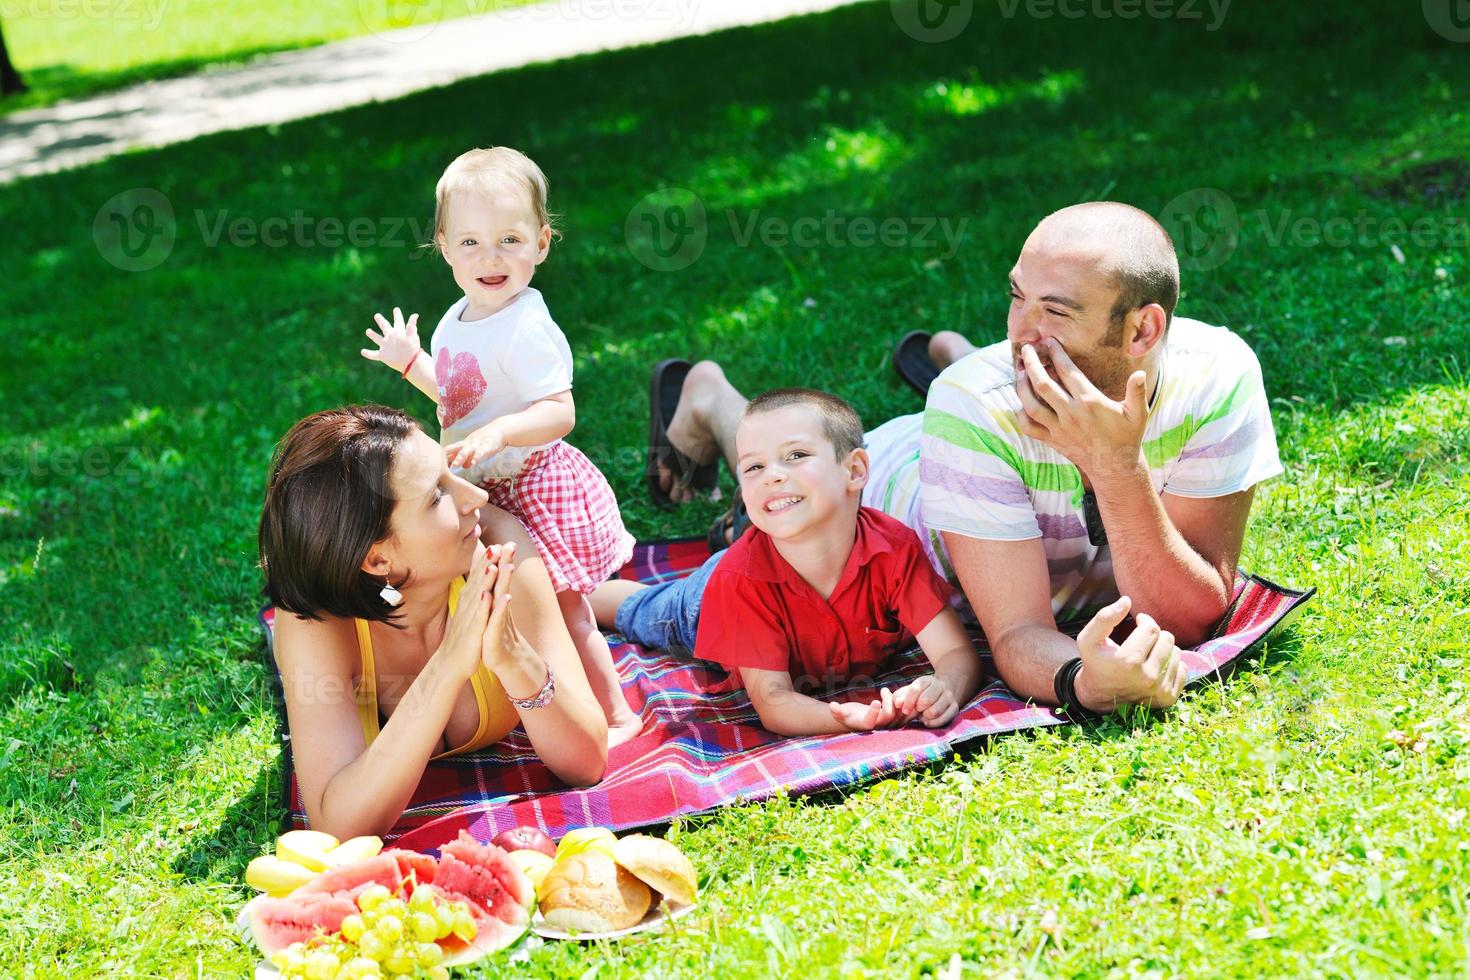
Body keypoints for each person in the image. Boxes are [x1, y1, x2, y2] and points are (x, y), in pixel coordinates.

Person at [646, 202, 1283, 716]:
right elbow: (1014, 636)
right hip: (868, 497)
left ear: (1143, 332)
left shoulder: (1218, 377)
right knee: (773, 488)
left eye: (1054, 312)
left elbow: (1191, 616)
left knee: (978, 398)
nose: (1019, 335)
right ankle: (713, 400)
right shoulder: (974, 407)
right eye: (1016, 298)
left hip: (969, 441)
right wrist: (1086, 683)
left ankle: (951, 356)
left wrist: (1116, 467)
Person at [359, 146, 640, 746]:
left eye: (510, 240)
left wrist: (501, 433)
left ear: (541, 243)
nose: (491, 258)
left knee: (563, 611)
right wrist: (412, 363)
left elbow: (559, 411)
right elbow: (460, 397)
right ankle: (519, 698)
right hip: (482, 486)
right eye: (471, 244)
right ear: (443, 246)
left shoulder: (528, 327)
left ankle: (614, 715)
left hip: (531, 482)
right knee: (498, 603)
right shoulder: (457, 318)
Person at [258, 405, 609, 839]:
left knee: (584, 598)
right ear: (376, 558)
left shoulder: (499, 545)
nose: (475, 497)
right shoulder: (316, 621)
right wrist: (448, 665)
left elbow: (589, 761)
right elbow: (337, 823)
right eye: (437, 495)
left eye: (449, 474)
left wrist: (513, 657)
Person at [592, 389, 985, 735]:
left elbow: (955, 654)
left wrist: (944, 687)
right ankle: (575, 594)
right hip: (705, 600)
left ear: (855, 470)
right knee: (643, 610)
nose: (772, 477)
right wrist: (848, 718)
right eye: (754, 467)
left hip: (772, 548)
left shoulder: (894, 549)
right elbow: (775, 702)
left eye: (795, 455)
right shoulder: (738, 582)